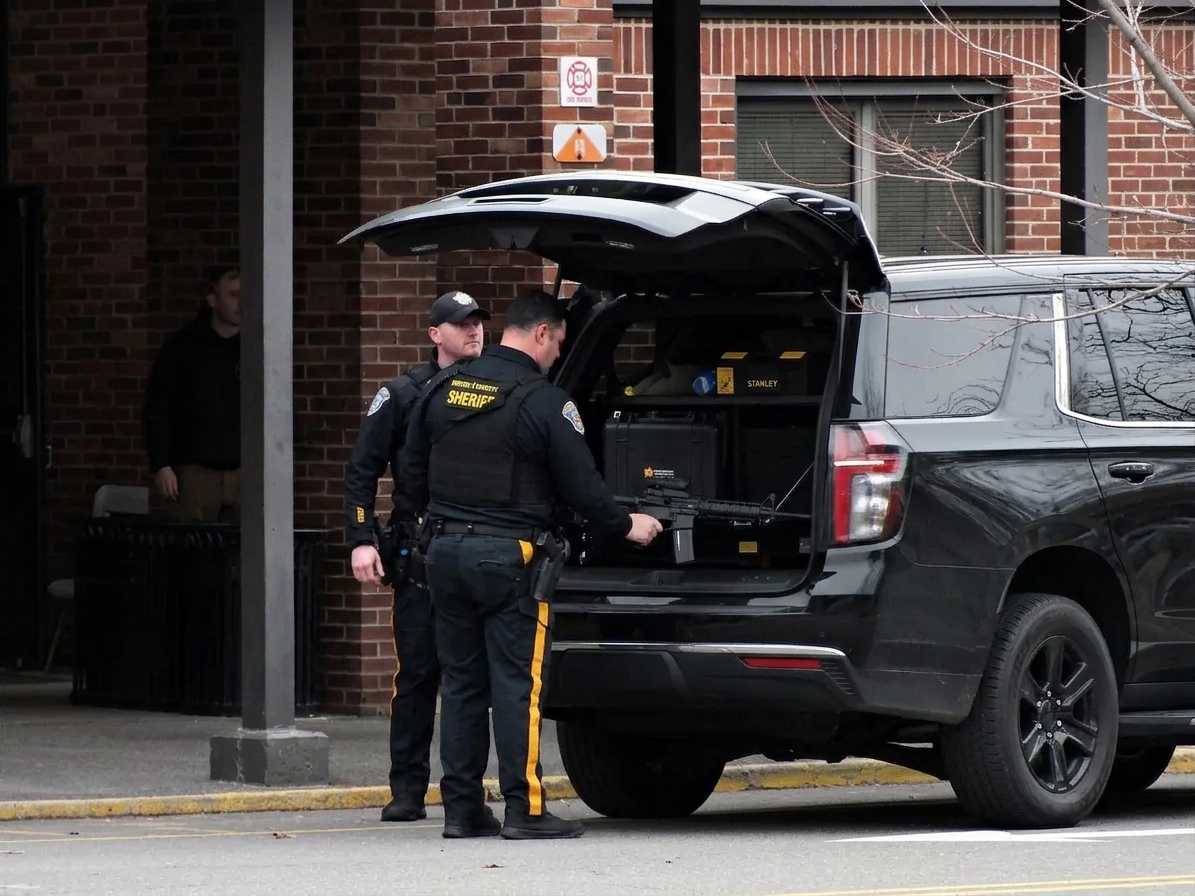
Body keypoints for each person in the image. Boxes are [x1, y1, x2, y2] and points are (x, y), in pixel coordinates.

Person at [401, 289, 663, 841]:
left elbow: (411, 471)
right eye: (559, 343)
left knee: (464, 685)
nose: (557, 356)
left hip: (444, 554)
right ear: (541, 334)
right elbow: (584, 488)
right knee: (518, 686)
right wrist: (626, 525)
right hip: (508, 559)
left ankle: (462, 809)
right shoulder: (545, 402)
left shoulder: (444, 387)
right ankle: (525, 809)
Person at [344, 290, 489, 823]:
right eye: (462, 324)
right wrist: (360, 538)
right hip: (420, 549)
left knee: (471, 675)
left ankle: (464, 792)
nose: (474, 331)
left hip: (476, 545)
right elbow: (362, 471)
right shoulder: (401, 394)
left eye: (478, 323)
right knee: (419, 672)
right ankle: (407, 788)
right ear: (436, 334)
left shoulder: (494, 387)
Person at [143, 265, 241, 522]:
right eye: (233, 295)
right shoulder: (183, 348)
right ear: (213, 299)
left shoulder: (256, 348)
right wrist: (161, 464)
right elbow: (159, 406)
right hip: (195, 472)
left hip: (244, 471)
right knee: (192, 552)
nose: (241, 303)